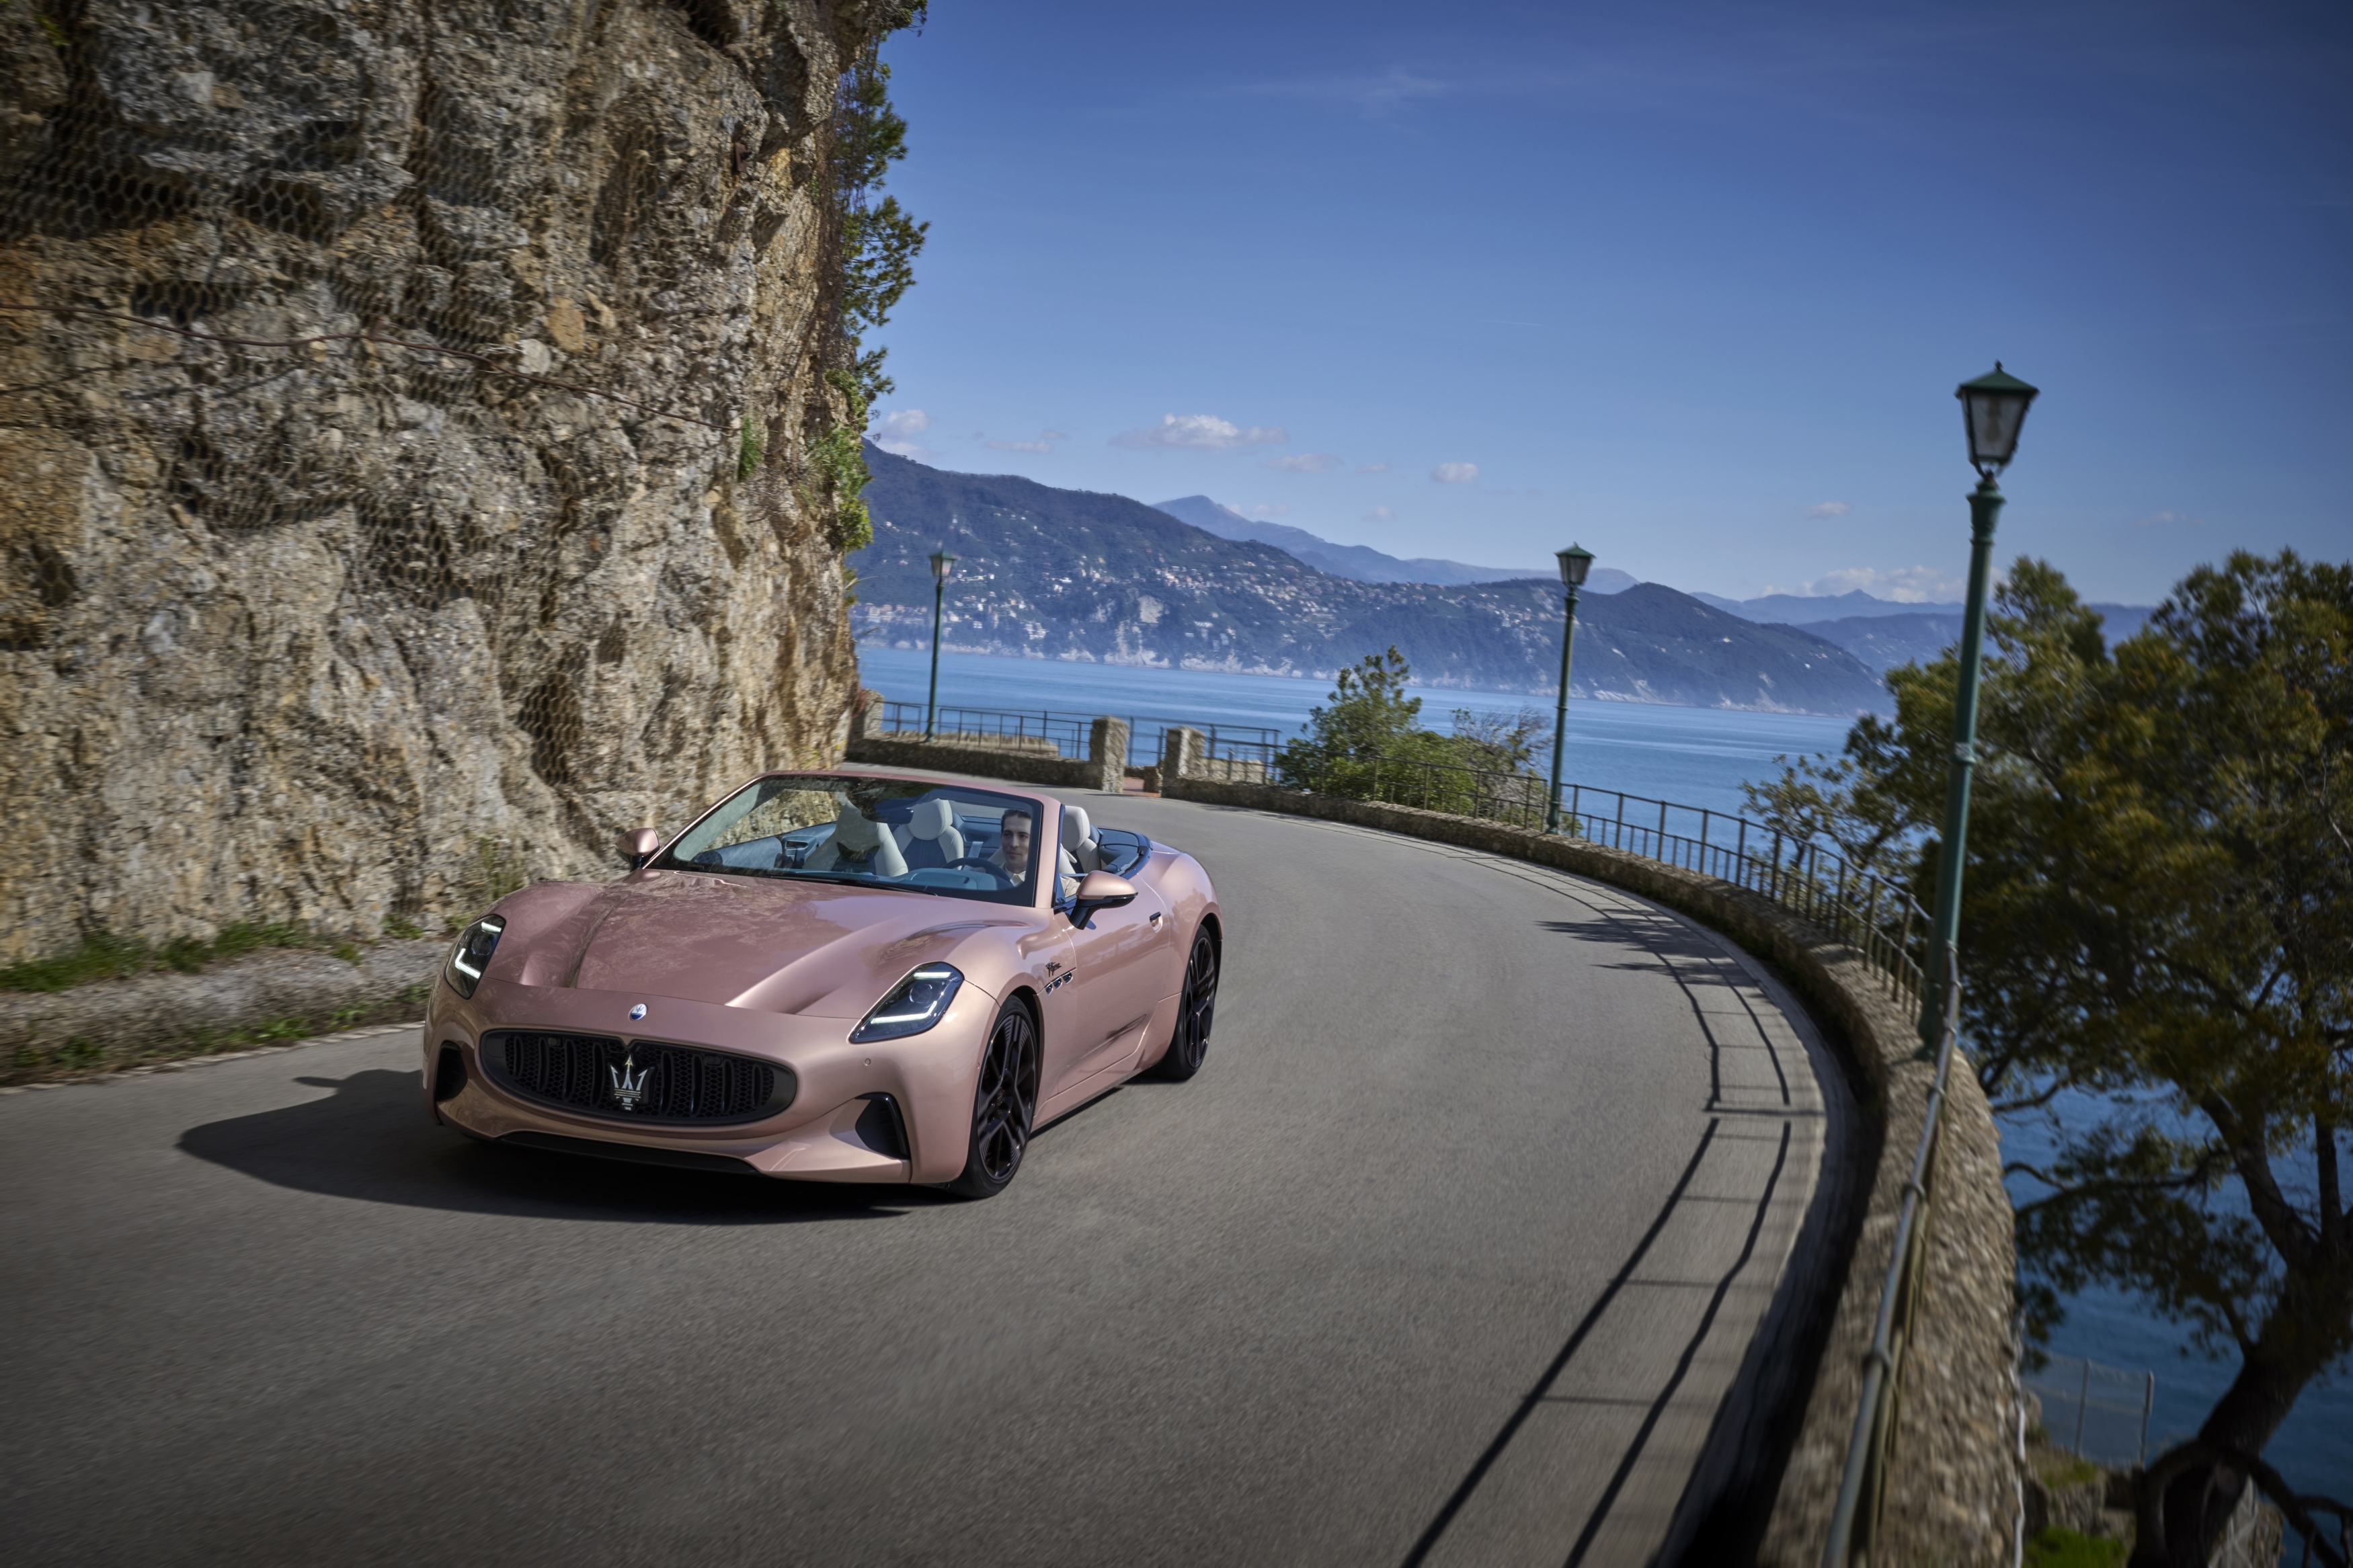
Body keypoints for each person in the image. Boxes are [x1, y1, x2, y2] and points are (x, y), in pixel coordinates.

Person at [992, 809, 1033, 885]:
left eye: (1023, 836)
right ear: (1001, 838)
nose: (1014, 844)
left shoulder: (1055, 886)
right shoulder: (983, 878)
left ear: (1036, 841)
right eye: (1008, 835)